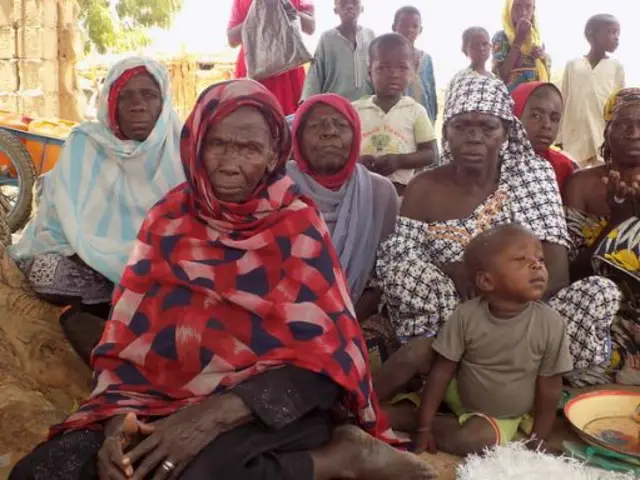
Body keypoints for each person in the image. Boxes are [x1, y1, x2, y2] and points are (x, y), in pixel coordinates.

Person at [10, 79, 437, 480]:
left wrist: (208, 417)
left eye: (249, 148)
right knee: (47, 469)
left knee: (189, 470)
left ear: (274, 156)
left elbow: (329, 354)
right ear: (195, 143)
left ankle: (340, 456)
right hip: (157, 397)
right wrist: (117, 427)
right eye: (218, 144)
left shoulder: (295, 222)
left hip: (271, 397)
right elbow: (126, 344)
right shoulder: (168, 219)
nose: (230, 163)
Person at [362, 76, 621, 414]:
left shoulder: (531, 175)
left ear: (506, 132)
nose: (474, 137)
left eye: (487, 127)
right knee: (406, 274)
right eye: (462, 126)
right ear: (446, 131)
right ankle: (476, 377)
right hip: (454, 322)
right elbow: (399, 260)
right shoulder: (424, 186)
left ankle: (495, 376)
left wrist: (501, 303)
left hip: (526, 321)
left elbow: (555, 276)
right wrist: (451, 270)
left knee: (600, 293)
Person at [9, 56, 185, 365]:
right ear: (110, 103)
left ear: (163, 100)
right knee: (46, 272)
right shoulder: (85, 143)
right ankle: (111, 309)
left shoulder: (182, 147)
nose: (137, 105)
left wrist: (139, 262)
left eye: (148, 94)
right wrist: (103, 259)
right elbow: (61, 219)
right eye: (125, 95)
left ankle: (110, 316)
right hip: (93, 264)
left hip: (160, 264)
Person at [414, 224, 573, 456]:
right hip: (459, 394)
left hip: (500, 416)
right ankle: (393, 412)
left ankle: (419, 418)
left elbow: (549, 388)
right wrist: (423, 427)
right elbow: (442, 371)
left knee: (480, 440)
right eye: (521, 259)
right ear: (487, 281)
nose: (537, 264)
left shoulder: (550, 324)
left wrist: (539, 439)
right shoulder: (466, 314)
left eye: (540, 259)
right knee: (416, 351)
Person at [286, 93, 399, 306]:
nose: (329, 132)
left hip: (358, 312)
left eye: (340, 125)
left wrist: (347, 320)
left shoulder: (379, 192)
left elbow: (385, 272)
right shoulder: (279, 187)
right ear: (297, 138)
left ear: (356, 135)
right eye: (315, 126)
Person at [563, 88, 640, 386]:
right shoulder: (581, 185)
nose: (634, 133)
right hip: (598, 312)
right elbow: (568, 274)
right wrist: (616, 224)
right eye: (623, 124)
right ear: (607, 132)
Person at [354, 33, 437, 197]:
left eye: (402, 67)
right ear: (370, 71)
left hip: (401, 194)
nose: (393, 73)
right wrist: (356, 163)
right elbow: (342, 152)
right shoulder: (355, 110)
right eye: (383, 67)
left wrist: (399, 161)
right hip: (359, 193)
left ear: (412, 72)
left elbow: (430, 153)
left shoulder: (416, 111)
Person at [557, 14, 625, 168]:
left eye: (618, 33)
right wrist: (559, 137)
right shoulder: (573, 65)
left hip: (602, 136)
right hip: (574, 135)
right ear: (591, 34)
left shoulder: (616, 67)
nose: (617, 38)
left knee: (600, 182)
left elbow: (620, 106)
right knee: (572, 178)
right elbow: (564, 99)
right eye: (611, 32)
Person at [227, 0, 316, 115]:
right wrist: (260, 13)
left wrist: (281, 6)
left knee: (289, 123)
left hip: (288, 68)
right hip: (253, 69)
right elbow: (232, 39)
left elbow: (310, 27)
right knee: (249, 122)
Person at [301, 0, 375, 102]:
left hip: (367, 104)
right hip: (335, 106)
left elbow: (377, 70)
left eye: (354, 2)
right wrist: (308, 101)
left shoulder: (370, 35)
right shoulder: (327, 38)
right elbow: (315, 73)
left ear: (362, 8)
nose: (349, 6)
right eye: (343, 3)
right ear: (335, 10)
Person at [511, 82, 577, 192]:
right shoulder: (492, 164)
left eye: (554, 119)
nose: (547, 125)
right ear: (515, 114)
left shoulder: (564, 167)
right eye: (536, 115)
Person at [392, 6, 438, 123]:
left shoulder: (426, 59)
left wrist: (432, 120)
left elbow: (431, 93)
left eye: (414, 26)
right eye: (404, 25)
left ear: (420, 30)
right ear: (394, 27)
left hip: (424, 120)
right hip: (398, 121)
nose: (410, 30)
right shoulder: (388, 58)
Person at [492, 0, 550, 91]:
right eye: (517, 6)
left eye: (528, 7)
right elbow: (500, 76)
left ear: (533, 10)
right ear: (509, 9)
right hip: (511, 100)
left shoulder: (536, 40)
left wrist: (543, 57)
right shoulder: (501, 38)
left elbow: (545, 74)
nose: (523, 12)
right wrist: (518, 40)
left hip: (534, 99)